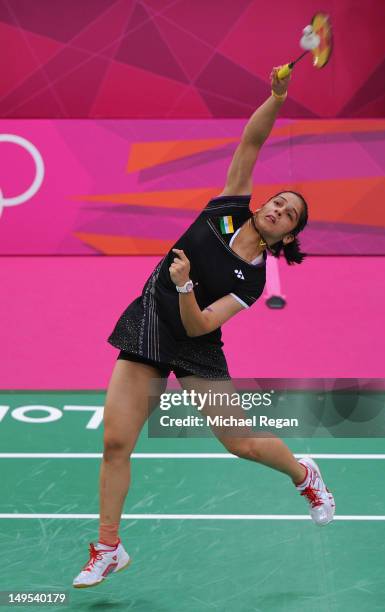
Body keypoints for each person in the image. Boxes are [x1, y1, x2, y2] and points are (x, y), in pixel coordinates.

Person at [72, 67, 335, 589]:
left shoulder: (253, 280)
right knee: (116, 442)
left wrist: (188, 286)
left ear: (288, 236)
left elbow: (200, 326)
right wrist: (276, 97)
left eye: (290, 214)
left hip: (196, 346)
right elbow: (252, 140)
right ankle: (108, 545)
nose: (279, 208)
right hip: (149, 324)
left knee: (242, 444)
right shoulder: (228, 209)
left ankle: (304, 475)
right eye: (279, 201)